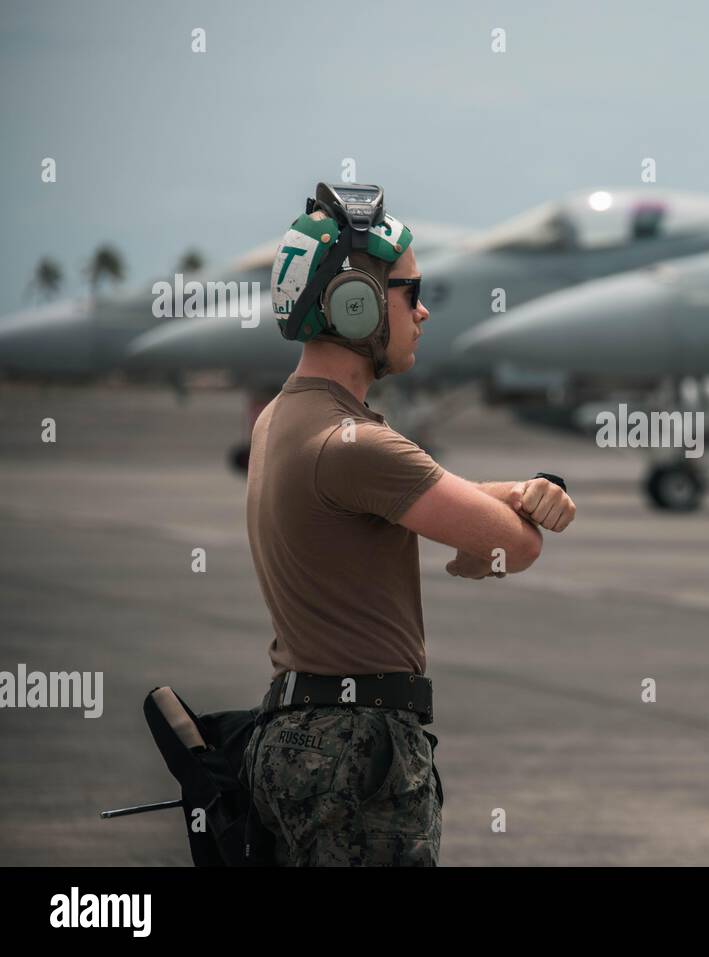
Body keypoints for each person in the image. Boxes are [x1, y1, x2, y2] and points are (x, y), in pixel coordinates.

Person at [240, 187, 575, 866]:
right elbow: (516, 544)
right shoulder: (356, 443)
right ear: (354, 303)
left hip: (297, 733)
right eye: (408, 290)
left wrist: (506, 494)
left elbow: (406, 499)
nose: (422, 310)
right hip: (358, 749)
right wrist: (522, 513)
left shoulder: (285, 418)